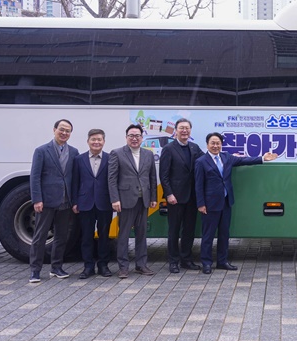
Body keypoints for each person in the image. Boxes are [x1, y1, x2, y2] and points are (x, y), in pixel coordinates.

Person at [195, 132, 278, 274]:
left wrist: (263, 158)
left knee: (224, 234)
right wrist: (200, 204)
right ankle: (207, 263)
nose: (215, 146)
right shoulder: (201, 161)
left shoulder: (226, 157)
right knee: (208, 235)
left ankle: (222, 261)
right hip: (209, 204)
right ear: (207, 145)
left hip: (226, 202)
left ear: (221, 144)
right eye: (212, 143)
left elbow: (244, 160)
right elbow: (198, 184)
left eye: (218, 143)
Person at [29, 119, 79, 283]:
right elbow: (35, 177)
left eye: (68, 131)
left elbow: (75, 178)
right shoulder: (42, 151)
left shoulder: (74, 152)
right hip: (47, 201)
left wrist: (74, 200)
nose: (64, 133)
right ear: (54, 130)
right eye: (61, 129)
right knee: (40, 237)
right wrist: (37, 199)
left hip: (65, 201)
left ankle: (56, 267)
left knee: (61, 237)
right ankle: (35, 271)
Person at [108, 124, 157, 278]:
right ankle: (123, 267)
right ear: (126, 137)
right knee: (123, 235)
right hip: (125, 200)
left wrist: (153, 197)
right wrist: (115, 199)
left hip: (144, 200)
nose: (134, 138)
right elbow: (112, 179)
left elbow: (152, 177)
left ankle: (141, 265)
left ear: (142, 138)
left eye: (137, 136)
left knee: (142, 234)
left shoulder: (148, 154)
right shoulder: (117, 153)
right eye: (131, 135)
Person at [159, 118, 204, 273]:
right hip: (175, 198)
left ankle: (186, 260)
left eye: (187, 128)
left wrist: (227, 155)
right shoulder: (168, 149)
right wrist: (169, 194)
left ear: (190, 130)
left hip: (192, 197)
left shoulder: (194, 147)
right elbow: (164, 175)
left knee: (189, 230)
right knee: (174, 230)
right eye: (181, 128)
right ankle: (173, 261)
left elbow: (207, 159)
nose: (184, 131)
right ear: (176, 131)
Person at [71, 128, 113, 279]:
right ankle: (88, 267)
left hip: (104, 203)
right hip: (85, 203)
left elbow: (113, 181)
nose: (96, 142)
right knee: (86, 236)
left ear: (104, 142)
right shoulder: (78, 159)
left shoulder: (110, 158)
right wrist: (74, 202)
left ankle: (103, 265)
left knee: (104, 236)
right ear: (88, 141)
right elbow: (75, 182)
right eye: (93, 139)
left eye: (99, 139)